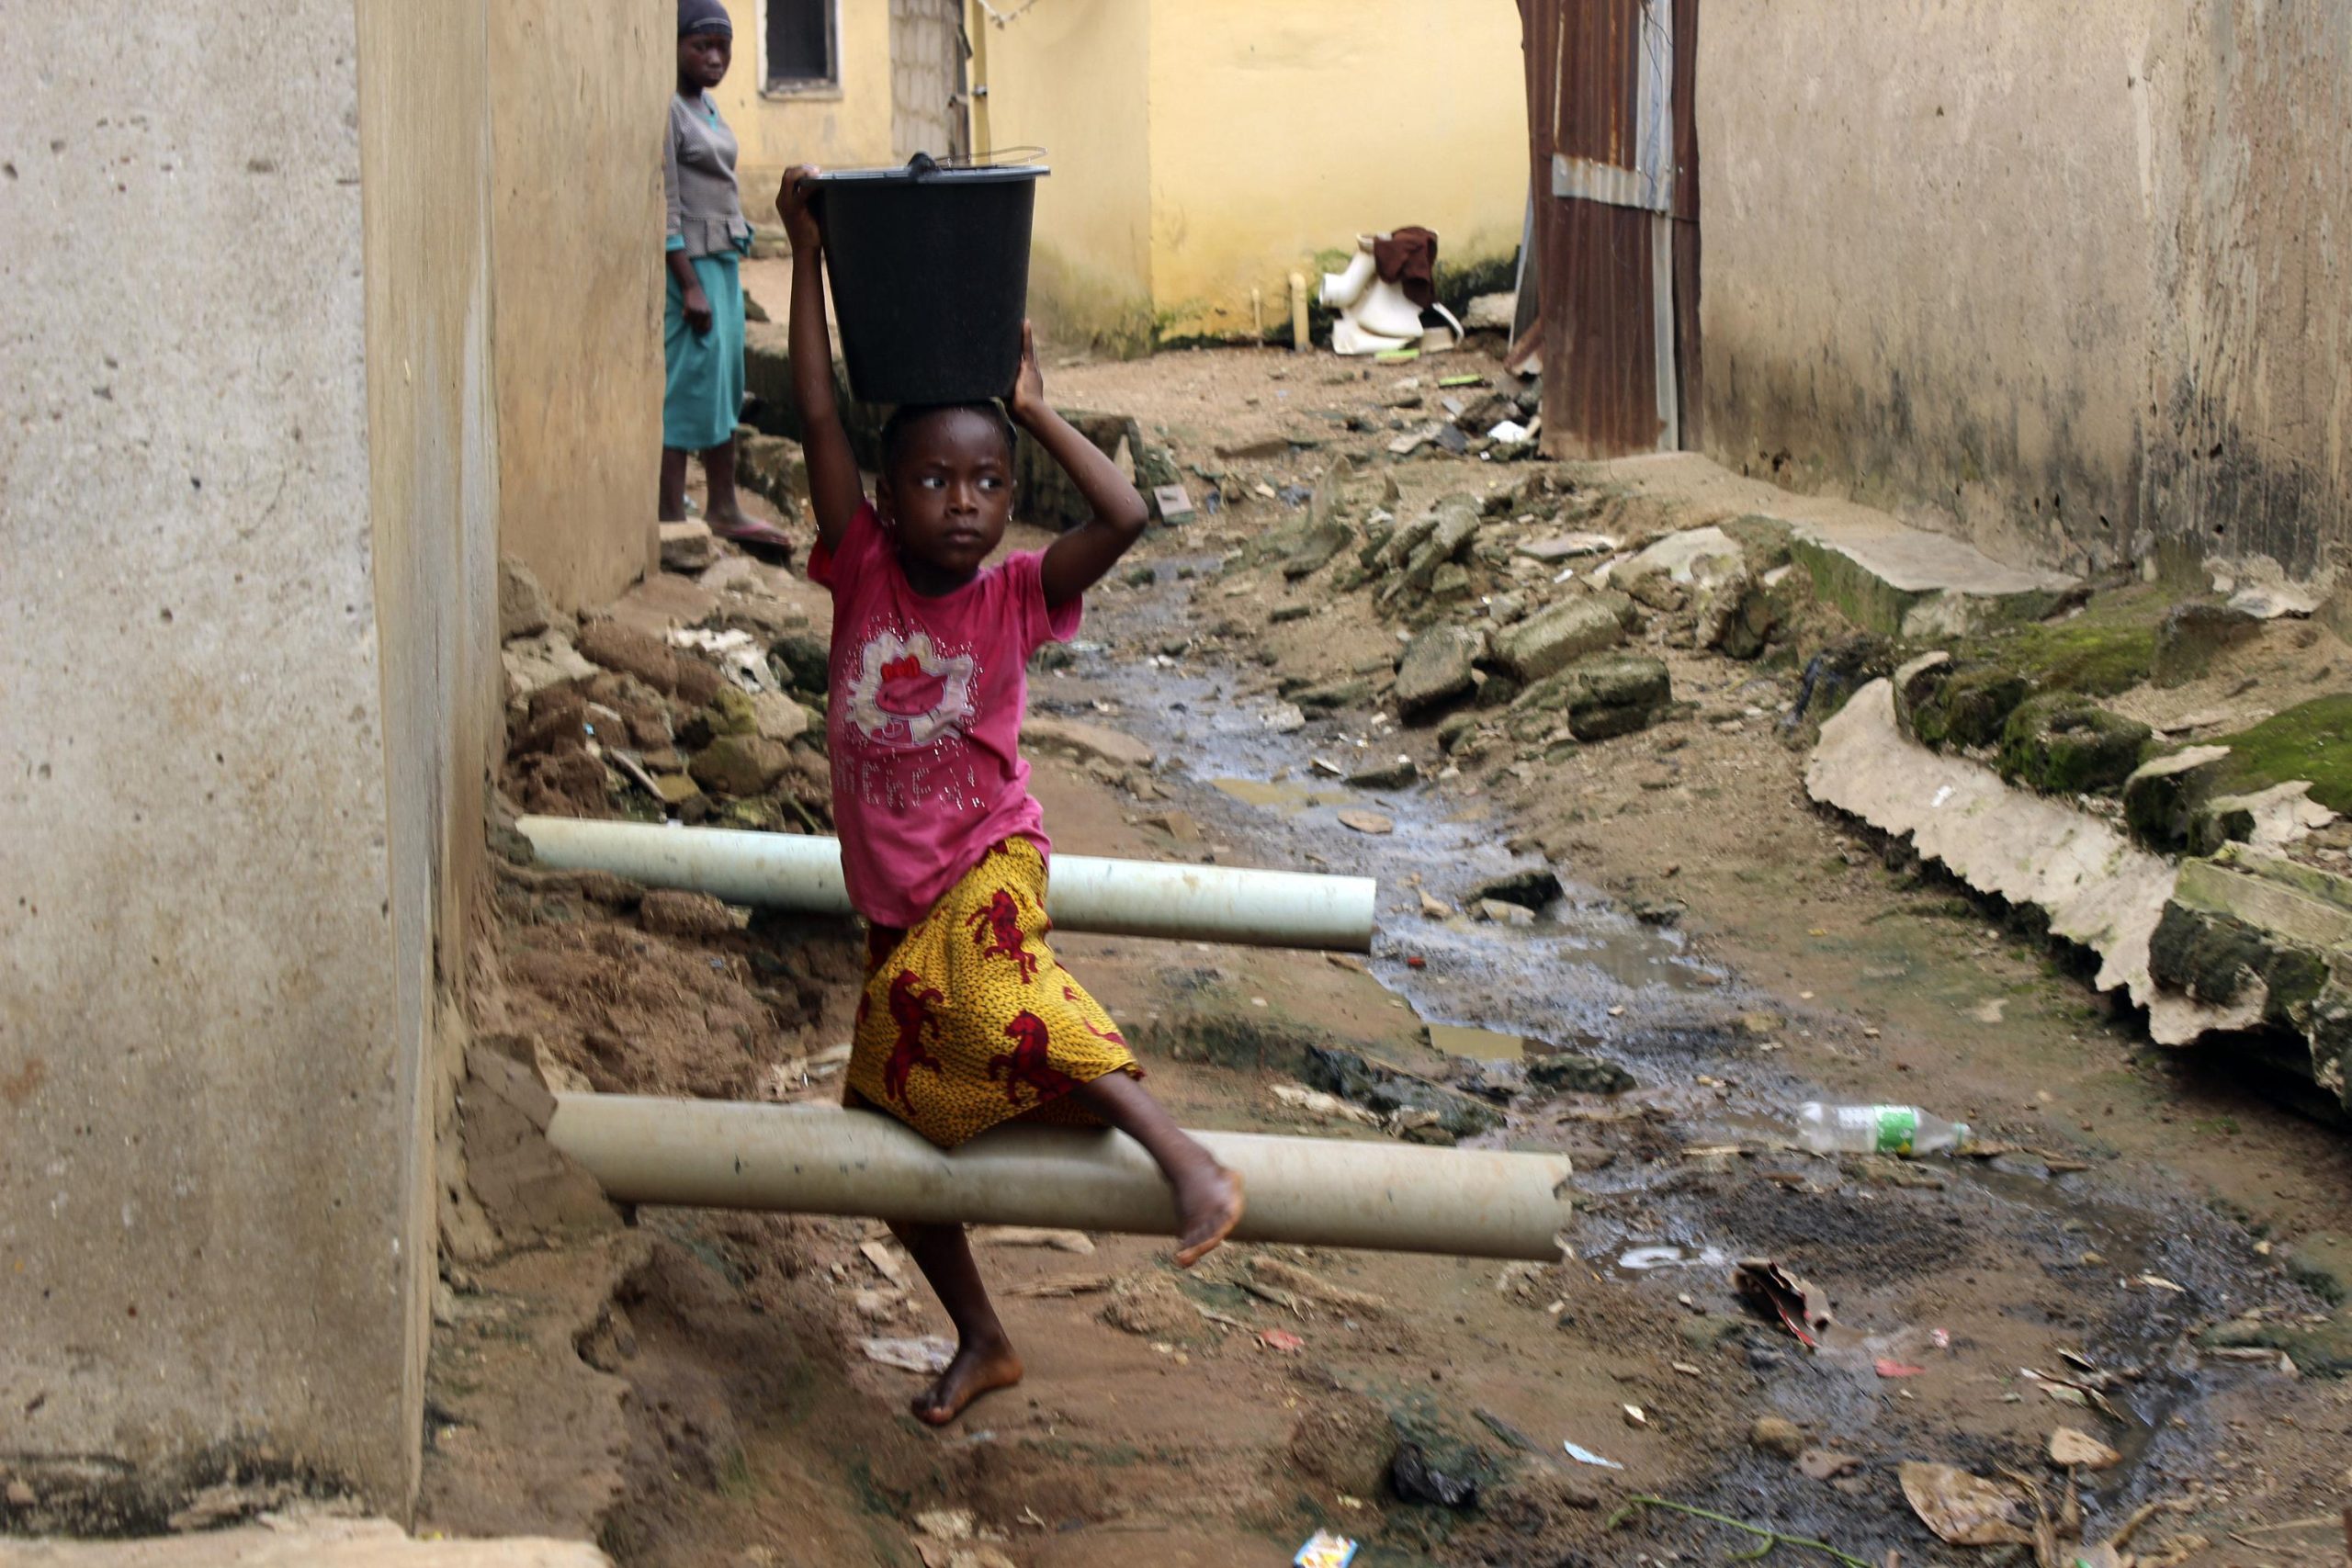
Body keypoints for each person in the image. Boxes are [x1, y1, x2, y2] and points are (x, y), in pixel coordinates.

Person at [775, 165, 1245, 1427]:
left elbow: (1127, 511)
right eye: (936, 480)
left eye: (986, 482)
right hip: (895, 904)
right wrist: (806, 254)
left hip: (990, 860)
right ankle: (985, 1333)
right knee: (889, 1134)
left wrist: (1032, 410)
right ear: (884, 497)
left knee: (985, 985)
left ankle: (1182, 1155)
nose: (967, 504)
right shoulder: (860, 564)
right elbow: (817, 411)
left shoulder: (1013, 597)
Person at [661, 0, 793, 560]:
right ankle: (669, 510)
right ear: (676, 48)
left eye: (723, 47)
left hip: (724, 263)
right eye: (701, 46)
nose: (715, 57)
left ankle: (722, 504)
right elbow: (666, 205)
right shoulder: (669, 111)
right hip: (691, 268)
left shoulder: (707, 106)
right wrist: (687, 282)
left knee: (725, 383)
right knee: (689, 385)